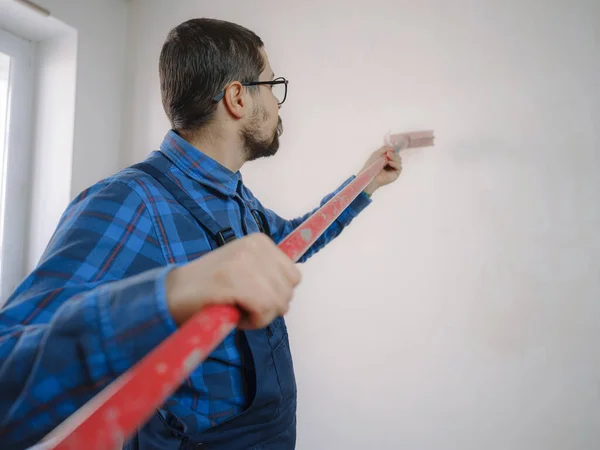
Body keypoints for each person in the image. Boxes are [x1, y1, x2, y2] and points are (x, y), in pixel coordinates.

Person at [0, 18, 402, 450]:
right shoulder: (129, 201)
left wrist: (366, 182)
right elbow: (9, 379)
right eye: (271, 85)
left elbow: (294, 241)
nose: (279, 104)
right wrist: (171, 292)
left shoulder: (236, 198)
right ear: (237, 97)